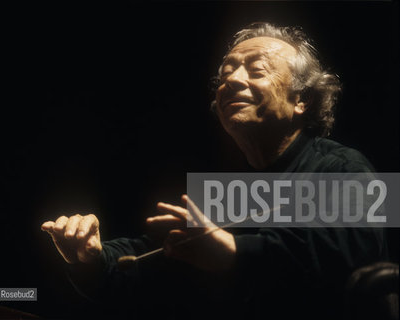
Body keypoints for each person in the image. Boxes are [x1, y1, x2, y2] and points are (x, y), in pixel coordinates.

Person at [41, 23, 389, 319]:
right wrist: (91, 257)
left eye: (257, 70)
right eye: (225, 72)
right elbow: (149, 257)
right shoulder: (226, 191)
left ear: (302, 101)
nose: (232, 80)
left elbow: (355, 260)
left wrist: (235, 252)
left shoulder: (343, 167)